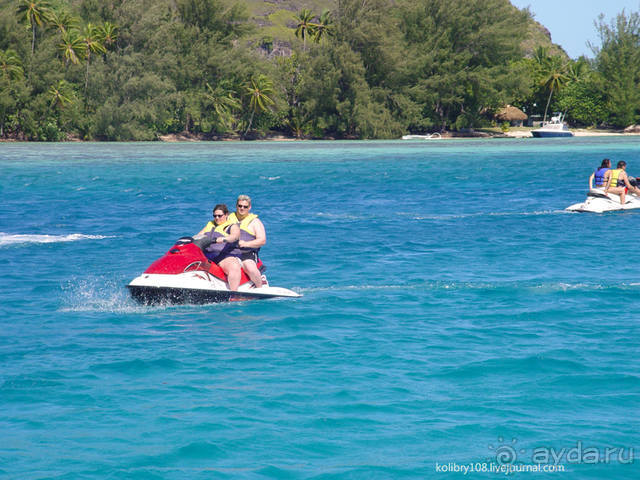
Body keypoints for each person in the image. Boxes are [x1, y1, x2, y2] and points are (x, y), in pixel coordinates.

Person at [200, 204, 242, 291]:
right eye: (215, 216)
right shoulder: (210, 224)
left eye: (220, 216)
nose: (217, 218)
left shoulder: (232, 226)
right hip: (206, 254)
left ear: (226, 215)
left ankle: (234, 293)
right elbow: (199, 235)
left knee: (234, 267)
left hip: (222, 255)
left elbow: (235, 236)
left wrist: (222, 239)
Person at [227, 194, 266, 288]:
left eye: (245, 206)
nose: (242, 208)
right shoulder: (228, 218)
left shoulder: (255, 222)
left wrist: (246, 243)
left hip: (247, 253)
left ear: (249, 207)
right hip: (229, 252)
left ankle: (260, 287)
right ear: (236, 206)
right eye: (240, 206)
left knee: (250, 268)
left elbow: (262, 240)